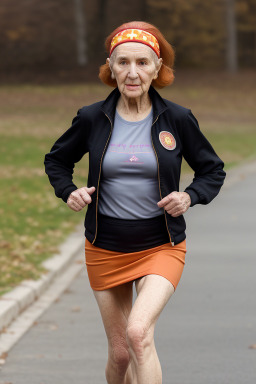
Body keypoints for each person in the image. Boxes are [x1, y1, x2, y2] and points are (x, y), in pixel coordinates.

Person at [44, 21, 226, 384]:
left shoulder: (176, 118)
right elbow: (57, 160)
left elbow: (212, 170)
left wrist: (189, 196)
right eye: (123, 62)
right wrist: (69, 190)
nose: (132, 72)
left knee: (139, 334)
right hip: (105, 247)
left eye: (142, 62)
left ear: (158, 68)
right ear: (110, 68)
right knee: (121, 353)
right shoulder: (92, 118)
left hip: (161, 244)